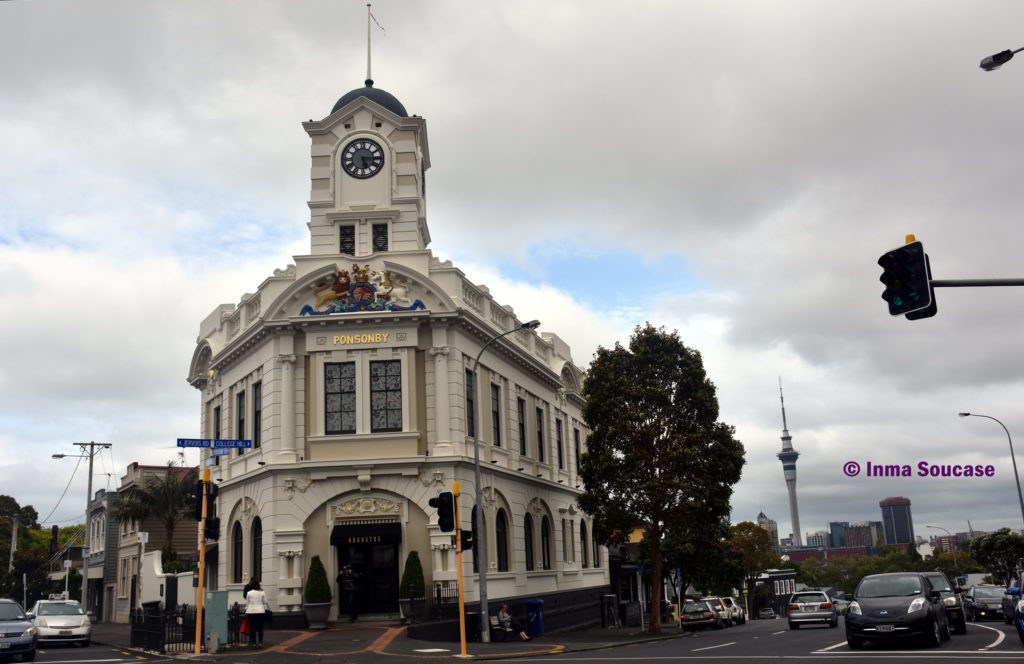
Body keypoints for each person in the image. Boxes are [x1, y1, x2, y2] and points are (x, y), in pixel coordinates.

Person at [244, 579, 270, 648]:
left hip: (251, 612)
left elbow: (247, 604)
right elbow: (265, 602)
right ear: (258, 585)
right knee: (260, 628)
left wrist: (246, 611)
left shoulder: (249, 593)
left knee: (253, 628)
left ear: (252, 586)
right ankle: (260, 643)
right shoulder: (262, 592)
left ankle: (254, 643)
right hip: (260, 611)